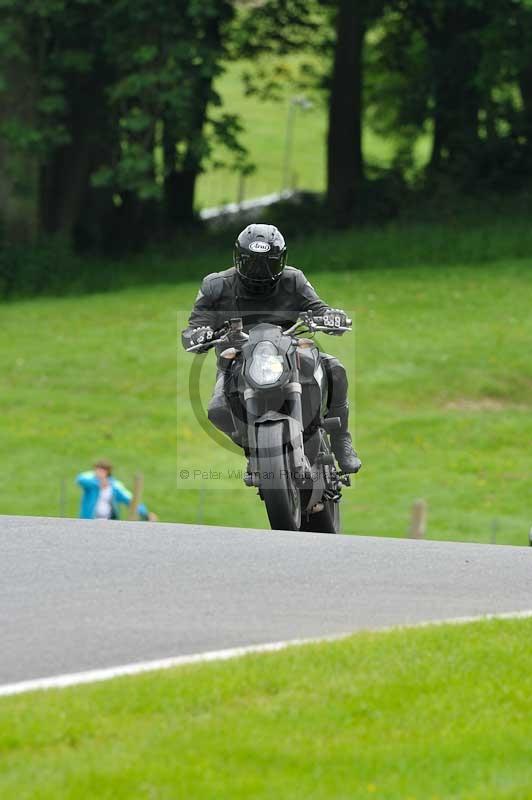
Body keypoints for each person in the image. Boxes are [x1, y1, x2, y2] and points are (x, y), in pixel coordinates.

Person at [181, 223, 362, 473]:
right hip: (236, 359)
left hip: (289, 350)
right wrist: (198, 335)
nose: (260, 271)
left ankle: (341, 439)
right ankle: (252, 449)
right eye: (252, 263)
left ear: (281, 261)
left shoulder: (293, 279)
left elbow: (318, 307)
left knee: (335, 369)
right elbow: (195, 325)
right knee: (217, 410)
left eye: (269, 263)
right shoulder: (216, 285)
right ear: (238, 259)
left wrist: (330, 317)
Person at [76, 460, 157, 520]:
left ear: (107, 472)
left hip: (108, 520)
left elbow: (129, 499)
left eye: (102, 471)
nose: (99, 473)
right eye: (97, 470)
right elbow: (80, 479)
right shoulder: (90, 481)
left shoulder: (114, 486)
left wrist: (145, 514)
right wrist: (97, 483)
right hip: (90, 519)